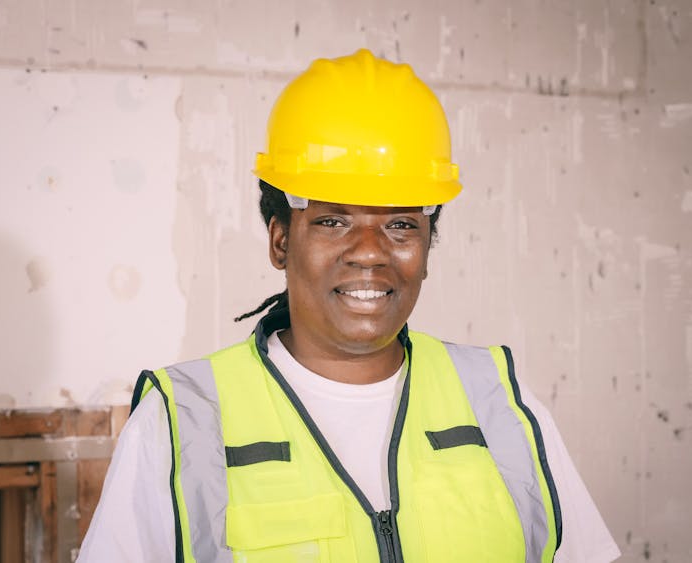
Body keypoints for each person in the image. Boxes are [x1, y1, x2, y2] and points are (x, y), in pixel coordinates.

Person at [78, 49, 620, 562]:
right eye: (333, 220)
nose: (369, 252)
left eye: (401, 224)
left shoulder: (501, 404)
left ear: (426, 248)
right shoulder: (183, 424)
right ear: (281, 241)